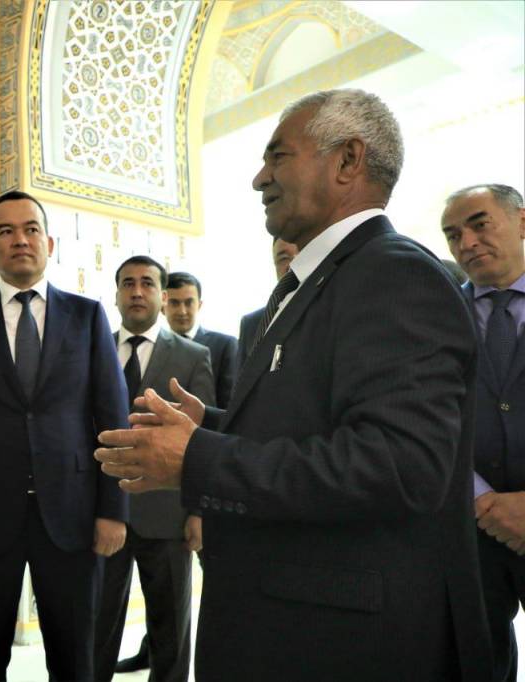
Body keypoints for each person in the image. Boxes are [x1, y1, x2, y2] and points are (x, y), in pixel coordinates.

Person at [95, 89, 492, 681]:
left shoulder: (396, 274)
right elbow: (319, 426)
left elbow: (399, 464)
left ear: (348, 161)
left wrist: (198, 456)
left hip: (342, 642)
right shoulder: (318, 282)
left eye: (278, 156)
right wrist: (213, 426)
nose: (260, 178)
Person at [0, 190, 129, 681]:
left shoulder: (87, 316)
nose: (20, 239)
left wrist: (113, 509)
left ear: (49, 243)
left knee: (74, 656)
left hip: (73, 513)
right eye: (6, 231)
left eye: (31, 229)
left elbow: (112, 419)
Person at [94, 256, 214, 682]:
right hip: (103, 513)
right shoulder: (92, 351)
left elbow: (200, 441)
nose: (136, 291)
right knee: (97, 629)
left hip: (167, 514)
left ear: (162, 297)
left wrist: (198, 511)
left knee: (170, 633)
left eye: (147, 283)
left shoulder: (194, 356)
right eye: (127, 283)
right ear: (116, 295)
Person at [441, 183, 525, 682]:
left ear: (522, 221)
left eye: (479, 224)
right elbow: (426, 415)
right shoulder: (435, 318)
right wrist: (481, 499)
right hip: (469, 530)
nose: (466, 243)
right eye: (453, 235)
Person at [163, 272, 237, 407]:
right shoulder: (153, 347)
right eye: (174, 303)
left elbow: (230, 402)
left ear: (199, 304)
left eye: (189, 303)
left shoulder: (224, 345)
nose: (182, 311)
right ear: (162, 306)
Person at [237, 237, 299, 360]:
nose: (292, 265)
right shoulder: (252, 324)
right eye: (283, 258)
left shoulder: (330, 311)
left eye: (301, 255)